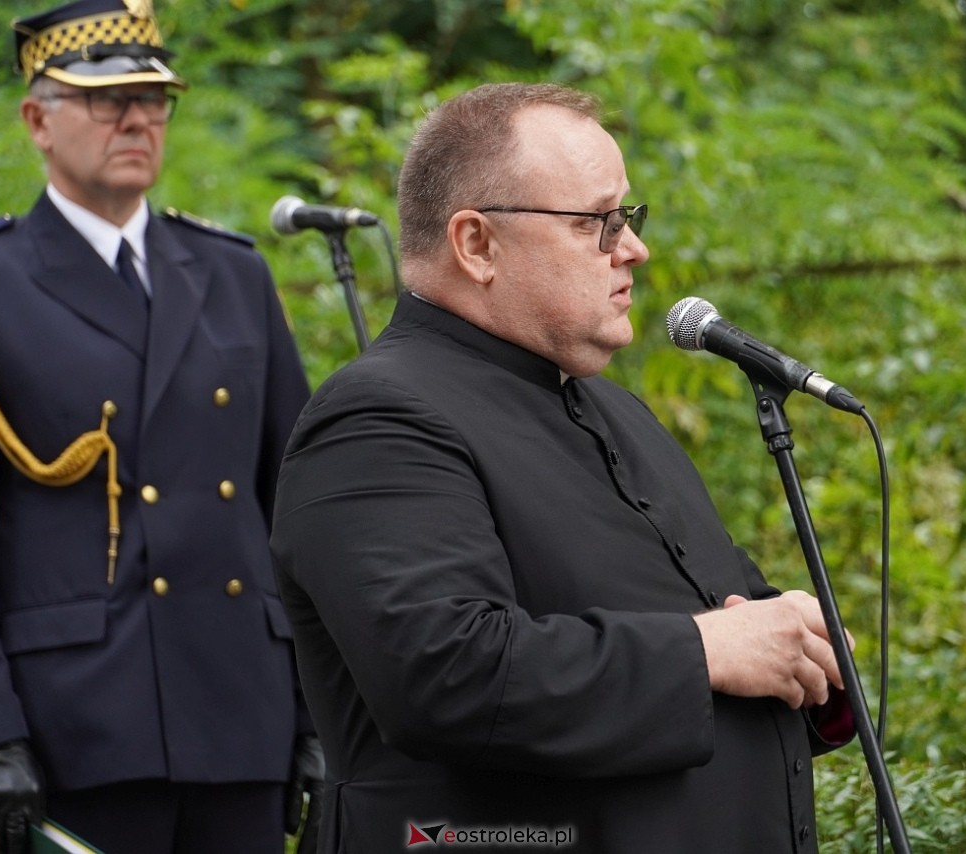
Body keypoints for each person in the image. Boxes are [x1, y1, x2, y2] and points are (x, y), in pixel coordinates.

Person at [269, 82, 856, 853]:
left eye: (629, 217)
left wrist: (803, 656)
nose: (633, 248)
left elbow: (723, 634)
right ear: (477, 245)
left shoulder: (616, 413)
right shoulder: (376, 420)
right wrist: (709, 650)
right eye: (596, 222)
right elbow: (447, 678)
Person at [0, 1, 321, 851]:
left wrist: (315, 714)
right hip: (80, 728)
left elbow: (295, 514)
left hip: (242, 717)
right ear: (36, 121)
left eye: (153, 99)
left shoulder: (234, 272)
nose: (136, 119)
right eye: (105, 100)